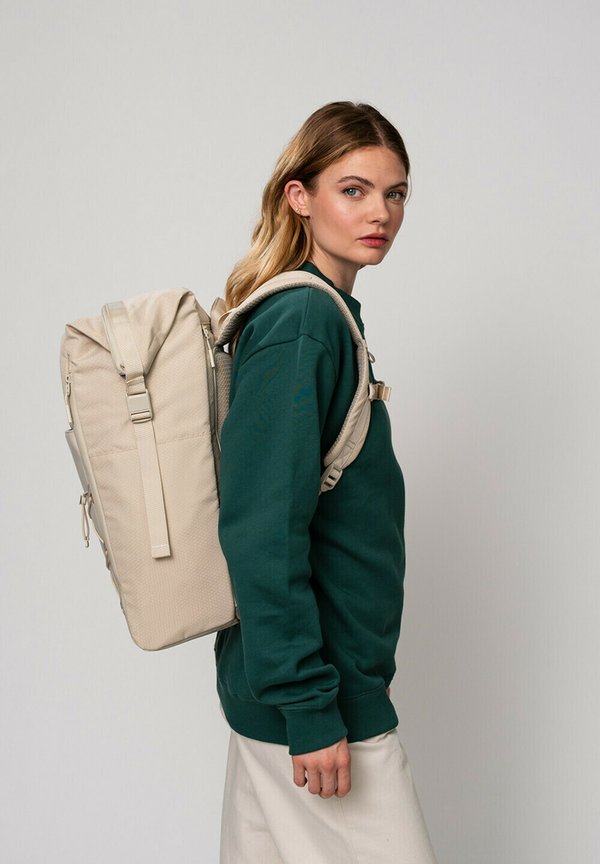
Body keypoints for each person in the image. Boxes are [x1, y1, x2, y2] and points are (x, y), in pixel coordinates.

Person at [214, 101, 438, 864]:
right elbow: (263, 530)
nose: (381, 213)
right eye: (354, 190)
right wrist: (311, 706)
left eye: (395, 193)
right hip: (317, 706)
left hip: (297, 695)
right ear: (299, 196)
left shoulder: (328, 316)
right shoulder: (304, 320)